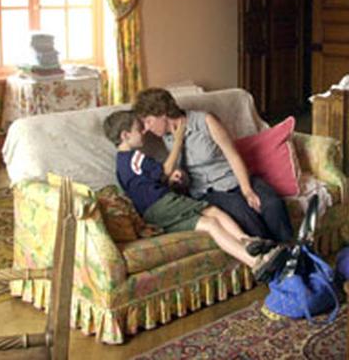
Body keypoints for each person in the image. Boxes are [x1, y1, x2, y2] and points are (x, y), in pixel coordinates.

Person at [103, 109, 283, 281]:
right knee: (213, 211)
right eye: (138, 129)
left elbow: (142, 185)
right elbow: (165, 170)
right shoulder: (136, 157)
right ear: (125, 135)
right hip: (163, 203)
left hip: (152, 214)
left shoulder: (120, 165)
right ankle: (247, 240)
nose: (144, 131)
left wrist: (169, 180)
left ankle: (255, 262)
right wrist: (178, 141)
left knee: (211, 225)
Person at [133, 88, 294, 243]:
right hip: (208, 190)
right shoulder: (167, 138)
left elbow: (233, 155)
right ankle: (273, 258)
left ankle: (294, 254)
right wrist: (180, 176)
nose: (146, 128)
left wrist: (247, 190)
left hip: (234, 177)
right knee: (245, 215)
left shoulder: (205, 120)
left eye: (148, 121)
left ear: (163, 114)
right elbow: (180, 169)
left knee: (273, 204)